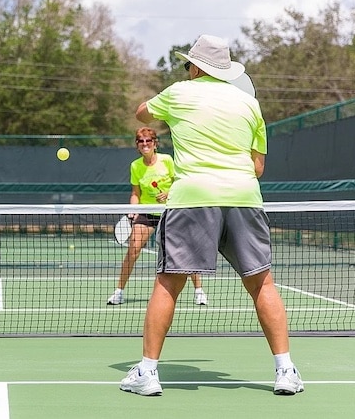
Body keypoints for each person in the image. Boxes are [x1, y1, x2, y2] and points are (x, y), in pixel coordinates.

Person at [120, 34, 303, 396]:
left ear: (198, 67)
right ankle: (286, 370)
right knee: (262, 284)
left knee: (169, 283)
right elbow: (258, 166)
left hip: (193, 198)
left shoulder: (178, 93)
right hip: (244, 197)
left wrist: (168, 112)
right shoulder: (249, 104)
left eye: (188, 64)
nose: (186, 69)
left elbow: (141, 112)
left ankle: (148, 373)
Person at [107, 127, 207, 306]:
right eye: (141, 141)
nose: (145, 144)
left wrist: (169, 192)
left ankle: (199, 291)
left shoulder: (167, 160)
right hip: (147, 212)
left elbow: (181, 182)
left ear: (155, 144)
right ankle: (119, 292)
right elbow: (135, 193)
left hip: (171, 211)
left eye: (148, 141)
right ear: (137, 145)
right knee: (133, 249)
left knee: (185, 251)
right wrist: (133, 208)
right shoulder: (135, 166)